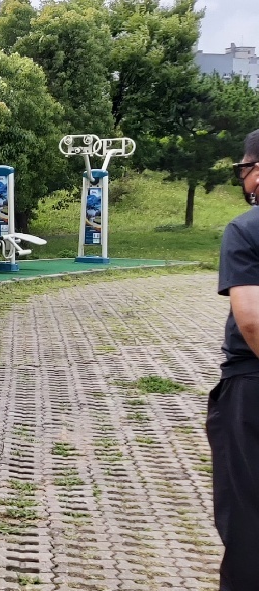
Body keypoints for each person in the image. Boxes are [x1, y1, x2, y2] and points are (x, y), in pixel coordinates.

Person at [210, 128, 259, 590]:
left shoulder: (246, 229)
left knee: (248, 517)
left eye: (243, 169)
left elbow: (252, 319)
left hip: (252, 385)